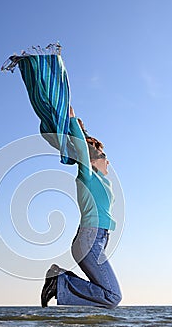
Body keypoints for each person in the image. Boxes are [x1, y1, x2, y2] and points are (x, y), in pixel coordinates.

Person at [41, 106, 122, 309]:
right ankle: (59, 281)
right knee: (112, 296)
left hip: (96, 239)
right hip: (90, 238)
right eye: (104, 156)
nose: (108, 161)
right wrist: (72, 121)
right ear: (93, 159)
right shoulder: (87, 175)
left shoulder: (102, 182)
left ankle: (59, 280)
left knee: (109, 295)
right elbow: (83, 149)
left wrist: (83, 129)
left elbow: (88, 144)